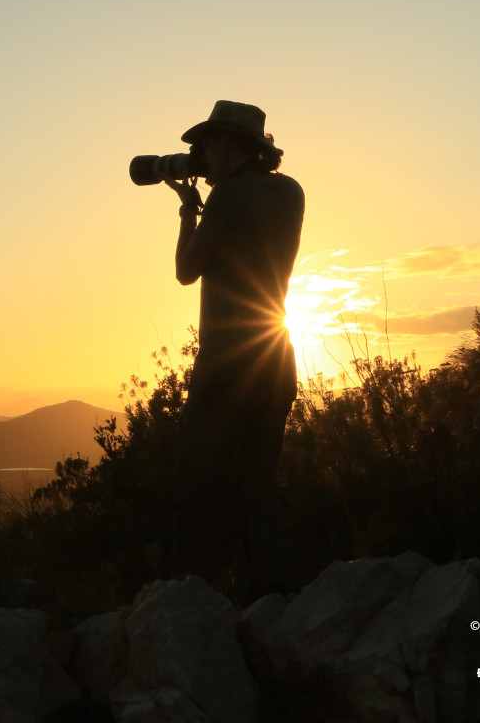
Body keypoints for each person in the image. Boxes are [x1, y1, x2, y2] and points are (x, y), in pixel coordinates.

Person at [164, 100, 304, 599]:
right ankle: (271, 601)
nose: (201, 154)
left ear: (231, 144)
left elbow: (186, 270)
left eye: (207, 143)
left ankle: (191, 601)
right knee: (259, 487)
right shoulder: (290, 192)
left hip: (226, 362)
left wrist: (188, 211)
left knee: (198, 487)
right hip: (275, 358)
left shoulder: (227, 197)